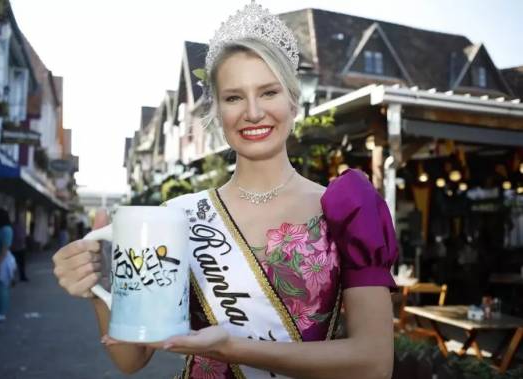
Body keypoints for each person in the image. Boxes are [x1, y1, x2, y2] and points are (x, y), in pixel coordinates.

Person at [52, 2, 397, 378]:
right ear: (217, 111)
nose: (252, 112)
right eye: (234, 97)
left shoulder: (346, 210)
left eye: (268, 92)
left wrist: (231, 348)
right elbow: (131, 360)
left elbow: (374, 362)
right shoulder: (178, 216)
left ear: (293, 101)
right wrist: (99, 283)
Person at [12, 214, 29, 282]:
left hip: (15, 248)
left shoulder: (13, 227)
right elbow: (23, 238)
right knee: (21, 264)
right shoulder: (20, 227)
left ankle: (13, 278)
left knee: (15, 264)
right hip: (20, 248)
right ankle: (22, 276)